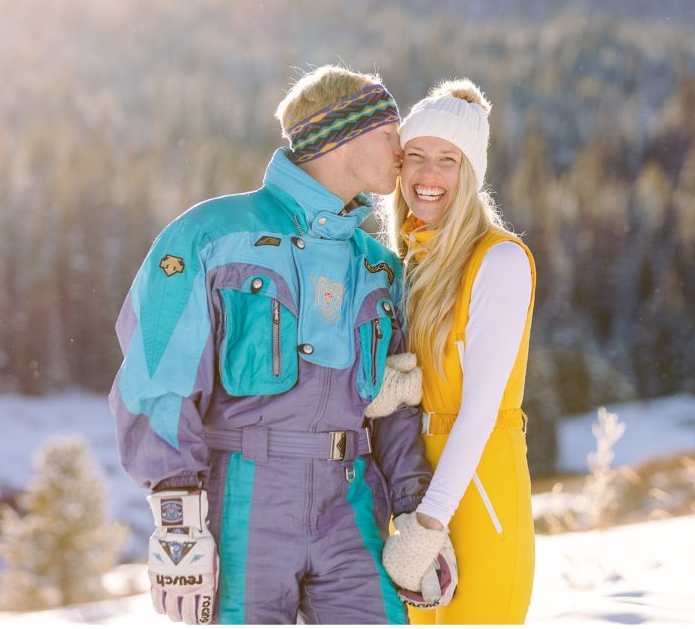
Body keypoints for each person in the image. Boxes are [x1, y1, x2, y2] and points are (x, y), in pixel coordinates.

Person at [109, 65, 457, 624]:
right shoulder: (213, 236)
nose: (404, 150)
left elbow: (395, 411)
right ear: (343, 134)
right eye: (392, 133)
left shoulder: (378, 267)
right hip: (242, 501)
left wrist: (416, 516)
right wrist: (177, 521)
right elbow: (159, 374)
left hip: (353, 503)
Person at [381, 79, 537, 624]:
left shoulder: (499, 261)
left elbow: (479, 412)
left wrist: (428, 524)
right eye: (416, 156)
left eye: (447, 159)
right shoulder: (411, 260)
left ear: (470, 173)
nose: (427, 176)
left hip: (478, 493)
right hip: (422, 491)